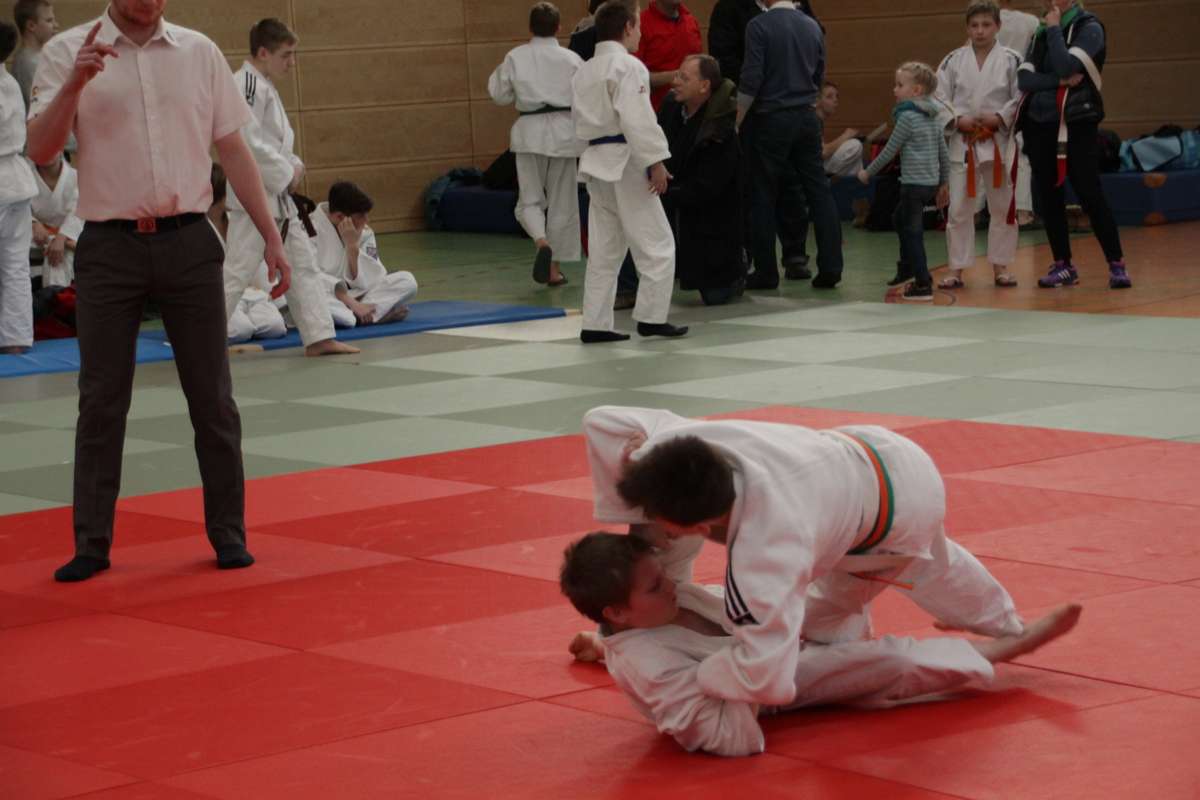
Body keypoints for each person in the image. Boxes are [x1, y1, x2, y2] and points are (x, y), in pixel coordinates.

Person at [27, 0, 292, 581]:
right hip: (108, 244)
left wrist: (272, 235)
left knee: (213, 397)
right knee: (101, 399)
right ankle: (91, 543)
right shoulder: (68, 51)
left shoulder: (199, 52)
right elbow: (41, 151)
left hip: (189, 239)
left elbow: (234, 149)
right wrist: (75, 84)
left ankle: (229, 532)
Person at [582, 405, 1029, 708]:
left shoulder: (767, 554)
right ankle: (1004, 621)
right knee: (937, 562)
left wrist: (702, 675)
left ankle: (1006, 634)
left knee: (826, 621)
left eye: (667, 524)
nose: (660, 535)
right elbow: (601, 420)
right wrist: (635, 479)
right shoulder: (676, 447)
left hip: (896, 521)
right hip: (883, 450)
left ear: (702, 526)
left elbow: (770, 684)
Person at [560, 531, 1082, 756]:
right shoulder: (654, 667)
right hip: (770, 683)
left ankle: (975, 609)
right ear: (617, 612)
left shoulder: (656, 605)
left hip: (768, 635)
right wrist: (744, 668)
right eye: (656, 586)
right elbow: (728, 740)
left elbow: (673, 537)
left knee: (863, 553)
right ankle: (1004, 649)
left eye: (662, 576)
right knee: (882, 662)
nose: (672, 584)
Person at [224, 18, 358, 357]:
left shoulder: (265, 85)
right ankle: (201, 342)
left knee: (303, 266)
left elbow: (275, 143)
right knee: (237, 271)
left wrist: (293, 164)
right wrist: (287, 172)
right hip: (255, 196)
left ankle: (319, 337)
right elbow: (246, 141)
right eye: (286, 55)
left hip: (279, 198)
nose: (292, 63)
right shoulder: (246, 84)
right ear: (263, 52)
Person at [571, 0, 687, 343]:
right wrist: (656, 161)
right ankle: (651, 318)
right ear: (627, 27)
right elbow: (637, 119)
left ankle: (595, 324)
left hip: (595, 162)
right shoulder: (628, 66)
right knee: (658, 245)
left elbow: (576, 124)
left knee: (605, 251)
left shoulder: (584, 70)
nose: (640, 34)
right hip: (626, 162)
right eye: (638, 26)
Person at [1018, 0, 1130, 289]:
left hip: (1077, 121)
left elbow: (1066, 64)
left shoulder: (1089, 27)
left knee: (1089, 193)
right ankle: (1063, 265)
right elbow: (1025, 80)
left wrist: (1055, 29)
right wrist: (1059, 81)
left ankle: (1116, 264)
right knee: (1048, 196)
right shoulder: (1039, 32)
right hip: (1039, 123)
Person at [738, 0, 843, 291]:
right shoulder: (811, 26)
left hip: (771, 117)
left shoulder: (758, 26)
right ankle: (831, 268)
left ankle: (766, 272)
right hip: (807, 117)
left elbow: (752, 77)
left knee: (762, 193)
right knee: (819, 192)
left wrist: (737, 119)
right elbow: (819, 73)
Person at [488, 2, 583, 288]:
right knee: (563, 202)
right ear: (559, 27)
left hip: (529, 133)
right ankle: (553, 270)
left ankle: (541, 241)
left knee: (529, 199)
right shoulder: (572, 59)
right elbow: (584, 97)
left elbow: (498, 95)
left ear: (530, 27)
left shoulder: (516, 57)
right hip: (565, 134)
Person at [936, 1, 1022, 290]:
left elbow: (1021, 96)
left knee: (1002, 205)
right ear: (967, 28)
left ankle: (1001, 266)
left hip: (998, 140)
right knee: (959, 207)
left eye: (986, 25)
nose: (980, 31)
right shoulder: (952, 60)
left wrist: (1000, 117)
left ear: (998, 26)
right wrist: (957, 119)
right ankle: (956, 268)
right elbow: (938, 96)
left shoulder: (1012, 59)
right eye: (974, 25)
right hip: (963, 141)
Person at [858, 62, 950, 301]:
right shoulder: (933, 117)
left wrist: (868, 172)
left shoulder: (907, 117)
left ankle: (922, 283)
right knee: (900, 218)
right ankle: (907, 267)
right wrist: (943, 183)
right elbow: (944, 154)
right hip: (929, 184)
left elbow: (889, 151)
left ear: (916, 91)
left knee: (912, 231)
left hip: (913, 185)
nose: (894, 90)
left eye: (899, 85)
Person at [657, 55, 744, 306]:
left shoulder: (720, 130)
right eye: (677, 75)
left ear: (705, 86)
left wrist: (666, 191)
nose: (675, 82)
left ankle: (736, 270)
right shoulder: (671, 109)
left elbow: (710, 187)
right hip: (674, 196)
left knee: (716, 296)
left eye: (684, 78)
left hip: (712, 218)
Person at [311, 181, 417, 328]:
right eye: (361, 215)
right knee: (314, 301)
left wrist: (352, 246)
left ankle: (359, 315)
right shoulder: (308, 230)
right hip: (329, 296)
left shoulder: (364, 232)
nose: (367, 220)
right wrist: (351, 303)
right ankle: (368, 316)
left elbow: (375, 278)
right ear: (340, 217)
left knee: (407, 280)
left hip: (358, 296)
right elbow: (309, 277)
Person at [207, 164, 287, 345]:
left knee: (275, 326)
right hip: (219, 295)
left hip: (251, 293)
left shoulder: (238, 222)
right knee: (241, 330)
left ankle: (246, 320)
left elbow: (254, 260)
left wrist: (263, 288)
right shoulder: (197, 230)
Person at [0, 19, 37, 355]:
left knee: (13, 264)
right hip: (16, 182)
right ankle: (16, 340)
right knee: (14, 265)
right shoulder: (9, 81)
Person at [998, 0, 1039, 225]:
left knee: (985, 150)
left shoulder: (985, 19)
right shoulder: (1031, 22)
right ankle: (1023, 212)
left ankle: (976, 212)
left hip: (993, 91)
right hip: (1019, 90)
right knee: (1021, 152)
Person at [634, 0, 702, 112]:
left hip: (692, 112)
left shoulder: (690, 21)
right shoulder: (640, 25)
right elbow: (633, 77)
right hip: (654, 112)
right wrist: (677, 75)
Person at [29, 151, 83, 287]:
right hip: (35, 236)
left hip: (69, 235)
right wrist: (33, 222)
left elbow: (78, 211)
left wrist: (62, 236)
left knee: (61, 252)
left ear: (61, 149)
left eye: (53, 146)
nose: (48, 151)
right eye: (43, 148)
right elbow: (14, 208)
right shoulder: (25, 176)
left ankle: (58, 294)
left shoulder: (76, 177)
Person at [11, 0, 57, 109]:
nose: (56, 25)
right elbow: (38, 107)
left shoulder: (39, 57)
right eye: (49, 20)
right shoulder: (27, 63)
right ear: (31, 26)